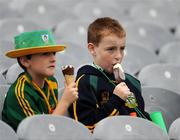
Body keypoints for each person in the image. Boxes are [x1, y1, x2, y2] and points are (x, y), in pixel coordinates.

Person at [68, 17, 151, 132]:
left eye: (122, 49)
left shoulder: (133, 82)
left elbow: (141, 120)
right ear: (92, 49)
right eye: (111, 49)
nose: (118, 55)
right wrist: (116, 99)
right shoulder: (86, 81)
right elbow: (86, 127)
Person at [2, 30, 78, 131]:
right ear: (25, 61)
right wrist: (65, 102)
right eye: (45, 54)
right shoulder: (20, 93)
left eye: (53, 53)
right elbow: (42, 131)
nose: (53, 59)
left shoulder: (52, 82)